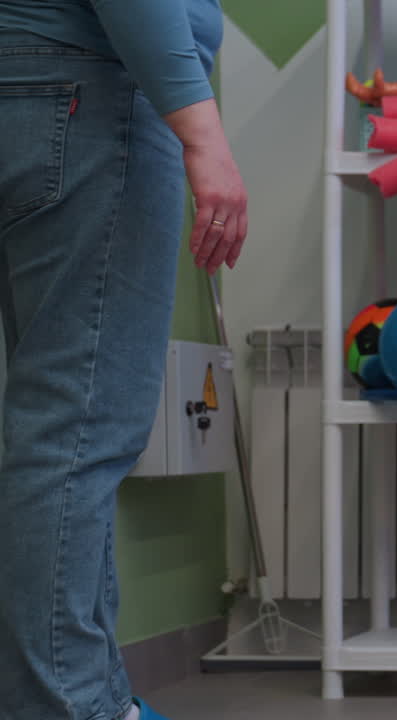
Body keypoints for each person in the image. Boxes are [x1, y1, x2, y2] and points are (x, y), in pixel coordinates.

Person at [0, 1, 246, 719]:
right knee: (77, 429)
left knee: (55, 428)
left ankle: (91, 695)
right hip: (95, 94)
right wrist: (204, 134)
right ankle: (70, 707)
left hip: (35, 89)